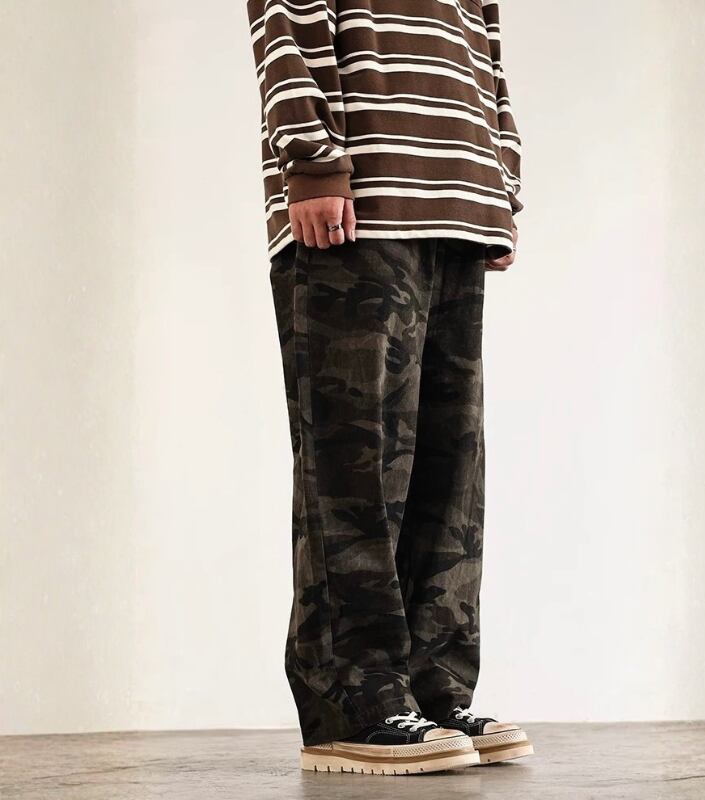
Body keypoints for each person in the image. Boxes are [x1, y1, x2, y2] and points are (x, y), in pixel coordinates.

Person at [246, 0, 533, 775]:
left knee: (449, 468)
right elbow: (284, 18)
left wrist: (499, 183)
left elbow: (486, 49)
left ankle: (431, 686)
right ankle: (355, 700)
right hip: (357, 203)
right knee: (357, 470)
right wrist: (311, 159)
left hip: (458, 203)